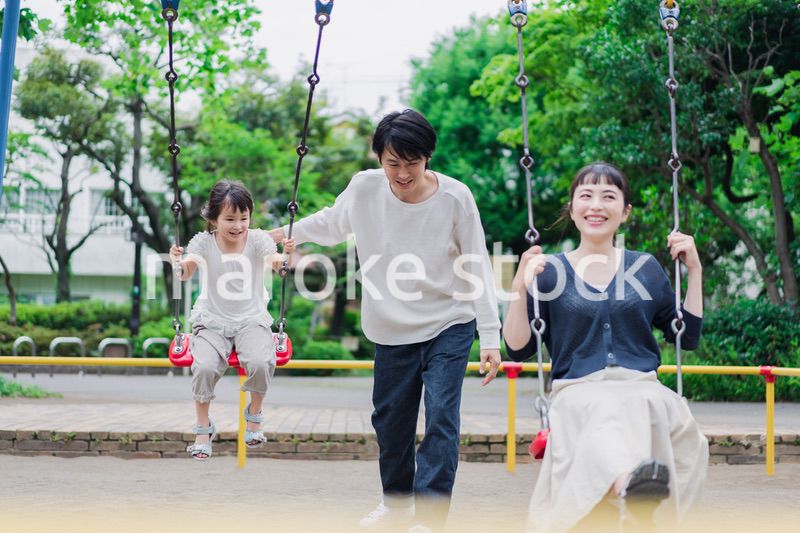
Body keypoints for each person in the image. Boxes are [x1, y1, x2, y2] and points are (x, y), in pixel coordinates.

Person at [270, 109, 502, 531]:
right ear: (378, 158)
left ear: (428, 157)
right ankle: (397, 504)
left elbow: (477, 264)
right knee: (390, 422)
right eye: (393, 163)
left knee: (442, 417)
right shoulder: (364, 188)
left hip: (449, 321)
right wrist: (278, 235)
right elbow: (330, 223)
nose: (403, 173)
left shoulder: (455, 198)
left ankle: (429, 517)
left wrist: (489, 334)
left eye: (413, 162)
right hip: (391, 327)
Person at [503, 162, 708, 531]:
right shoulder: (549, 271)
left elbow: (686, 336)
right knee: (603, 411)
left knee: (689, 436)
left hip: (642, 387)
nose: (596, 205)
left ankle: (640, 495)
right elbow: (518, 349)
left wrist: (694, 271)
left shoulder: (645, 268)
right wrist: (519, 286)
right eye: (586, 195)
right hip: (578, 389)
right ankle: (631, 488)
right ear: (572, 209)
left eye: (608, 196)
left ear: (625, 211)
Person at [169, 179, 295, 461]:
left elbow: (276, 264)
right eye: (229, 219)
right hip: (211, 321)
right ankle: (203, 428)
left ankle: (254, 414)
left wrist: (285, 257)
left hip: (251, 320)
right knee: (203, 367)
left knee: (261, 362)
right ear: (214, 218)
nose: (238, 225)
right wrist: (176, 261)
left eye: (243, 218)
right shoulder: (204, 242)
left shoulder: (258, 240)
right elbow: (185, 274)